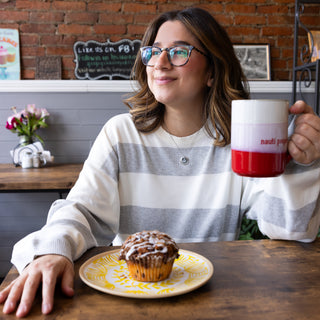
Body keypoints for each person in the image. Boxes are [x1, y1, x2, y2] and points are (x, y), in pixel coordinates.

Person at [1, 7, 320, 317]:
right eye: (153, 52)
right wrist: (53, 250)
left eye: (179, 52)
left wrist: (302, 162)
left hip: (216, 297)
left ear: (212, 71)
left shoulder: (240, 142)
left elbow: (289, 229)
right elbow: (81, 209)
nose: (160, 62)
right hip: (126, 295)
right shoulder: (120, 133)